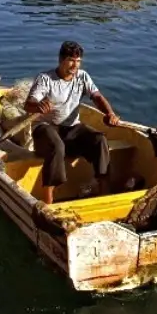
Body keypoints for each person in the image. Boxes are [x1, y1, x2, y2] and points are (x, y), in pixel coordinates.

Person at [23, 40, 121, 204]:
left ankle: (104, 191)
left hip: (72, 130)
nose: (75, 65)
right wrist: (38, 106)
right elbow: (28, 105)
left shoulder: (82, 77)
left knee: (100, 140)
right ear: (61, 60)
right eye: (71, 60)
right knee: (57, 145)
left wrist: (110, 113)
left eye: (78, 61)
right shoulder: (45, 79)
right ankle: (48, 202)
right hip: (45, 129)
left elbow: (96, 97)